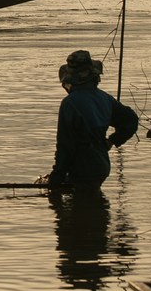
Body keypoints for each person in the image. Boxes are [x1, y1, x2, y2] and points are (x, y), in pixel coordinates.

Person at [45, 50, 138, 190]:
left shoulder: (70, 103)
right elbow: (131, 120)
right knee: (93, 197)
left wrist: (56, 177)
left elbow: (65, 145)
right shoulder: (104, 98)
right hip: (102, 165)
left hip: (83, 168)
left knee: (82, 198)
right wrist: (112, 141)